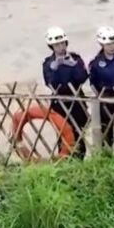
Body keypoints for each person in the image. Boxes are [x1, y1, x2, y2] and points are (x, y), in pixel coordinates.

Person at [41, 27, 89, 159]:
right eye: (57, 44)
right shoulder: (48, 63)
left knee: (79, 135)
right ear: (51, 46)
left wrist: (72, 65)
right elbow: (49, 82)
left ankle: (80, 161)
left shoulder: (76, 58)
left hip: (77, 102)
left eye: (62, 43)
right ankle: (64, 161)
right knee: (62, 136)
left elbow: (83, 78)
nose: (60, 47)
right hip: (60, 105)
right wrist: (55, 68)